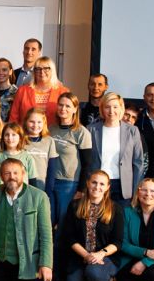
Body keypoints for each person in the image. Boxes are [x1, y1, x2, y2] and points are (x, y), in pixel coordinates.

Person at [59, 170, 124, 281]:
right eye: (94, 182)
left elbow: (117, 241)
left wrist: (100, 254)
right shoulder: (75, 205)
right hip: (79, 257)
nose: (97, 187)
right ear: (88, 183)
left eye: (102, 184)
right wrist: (87, 255)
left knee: (94, 272)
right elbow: (69, 237)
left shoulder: (115, 208)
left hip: (105, 259)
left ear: (107, 187)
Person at [86, 93, 145, 205]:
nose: (111, 111)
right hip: (98, 186)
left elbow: (138, 162)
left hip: (123, 187)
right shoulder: (91, 130)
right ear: (102, 109)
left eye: (115, 107)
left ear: (121, 108)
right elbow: (86, 161)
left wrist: (136, 190)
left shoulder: (132, 131)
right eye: (107, 107)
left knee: (120, 221)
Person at [50, 93, 93, 227]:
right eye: (61, 105)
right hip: (50, 180)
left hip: (68, 184)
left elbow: (87, 164)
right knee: (49, 219)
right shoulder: (51, 129)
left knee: (63, 222)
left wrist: (81, 190)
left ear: (75, 109)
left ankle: (60, 248)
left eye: (68, 106)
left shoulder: (81, 132)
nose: (63, 108)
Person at [8, 56, 65, 125]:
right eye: (38, 69)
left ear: (52, 71)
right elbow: (13, 118)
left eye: (46, 68)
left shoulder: (62, 92)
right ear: (34, 72)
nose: (42, 72)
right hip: (25, 134)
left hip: (54, 135)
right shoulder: (22, 91)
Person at [23, 108, 58, 191]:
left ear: (44, 123)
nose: (35, 125)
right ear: (26, 122)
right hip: (23, 186)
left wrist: (48, 190)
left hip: (42, 186)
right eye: (32, 122)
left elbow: (51, 169)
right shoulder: (20, 140)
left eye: (39, 122)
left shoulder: (49, 141)